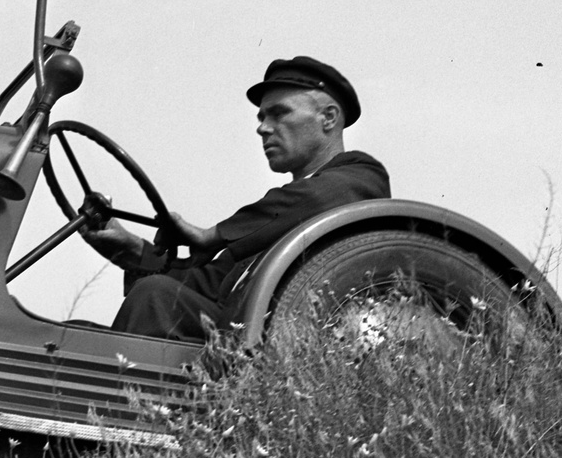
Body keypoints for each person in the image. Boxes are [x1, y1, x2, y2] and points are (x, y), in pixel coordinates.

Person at [84, 55, 390, 340]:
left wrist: (210, 236)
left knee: (154, 295)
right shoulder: (258, 238)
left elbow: (319, 196)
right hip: (231, 341)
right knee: (76, 333)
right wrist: (131, 249)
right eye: (261, 117)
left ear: (328, 118)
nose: (262, 127)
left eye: (280, 113)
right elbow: (202, 286)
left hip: (284, 355)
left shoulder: (360, 177)